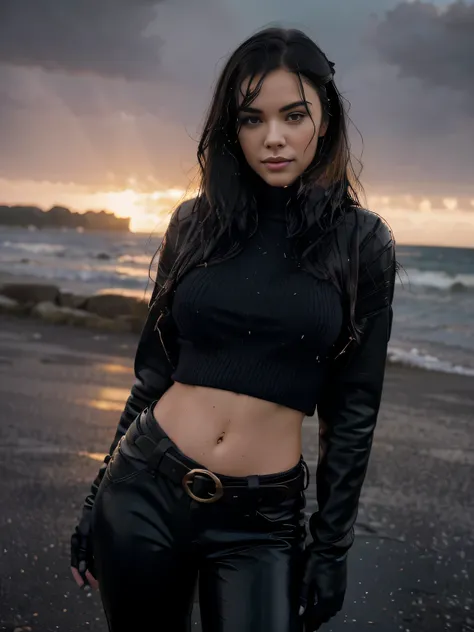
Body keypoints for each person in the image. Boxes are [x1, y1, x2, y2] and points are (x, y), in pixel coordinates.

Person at [70, 26, 396, 632]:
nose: (274, 138)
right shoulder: (196, 223)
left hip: (261, 520)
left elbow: (352, 415)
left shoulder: (363, 243)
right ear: (232, 128)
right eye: (252, 119)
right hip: (144, 487)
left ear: (324, 118)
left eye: (293, 115)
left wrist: (330, 550)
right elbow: (153, 375)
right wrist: (95, 503)